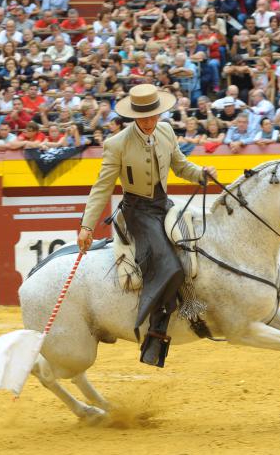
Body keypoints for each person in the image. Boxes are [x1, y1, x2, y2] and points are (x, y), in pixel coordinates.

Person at [78, 84, 215, 367]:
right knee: (169, 266)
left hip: (163, 206)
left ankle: (192, 307)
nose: (149, 121)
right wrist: (87, 226)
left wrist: (201, 174)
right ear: (134, 117)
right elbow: (102, 187)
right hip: (138, 212)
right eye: (143, 117)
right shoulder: (116, 144)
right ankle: (155, 333)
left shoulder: (166, 131)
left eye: (153, 115)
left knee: (194, 247)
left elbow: (181, 166)